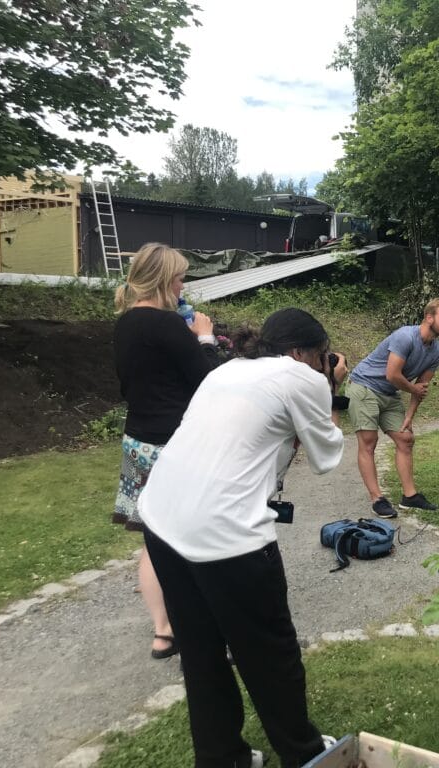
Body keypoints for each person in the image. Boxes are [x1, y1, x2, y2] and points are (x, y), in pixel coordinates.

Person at [138, 308, 346, 768]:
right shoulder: (303, 377)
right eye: (321, 356)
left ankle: (222, 758)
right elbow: (327, 454)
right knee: (270, 651)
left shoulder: (230, 368)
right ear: (301, 352)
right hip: (224, 533)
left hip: (161, 518)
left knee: (201, 650)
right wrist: (334, 385)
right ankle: (304, 753)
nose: (322, 363)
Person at [112, 242, 219, 660]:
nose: (183, 283)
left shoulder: (125, 324)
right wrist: (206, 339)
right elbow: (205, 383)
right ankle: (207, 623)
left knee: (153, 540)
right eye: (179, 277)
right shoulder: (169, 325)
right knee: (195, 535)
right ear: (163, 279)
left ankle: (163, 631)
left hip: (138, 441)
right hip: (175, 445)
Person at [345, 298, 439, 518]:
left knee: (406, 438)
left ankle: (410, 496)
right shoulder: (405, 336)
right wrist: (413, 390)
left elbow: (420, 388)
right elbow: (392, 374)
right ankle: (377, 499)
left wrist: (409, 417)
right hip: (363, 386)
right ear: (429, 317)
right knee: (369, 442)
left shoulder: (437, 352)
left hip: (389, 393)